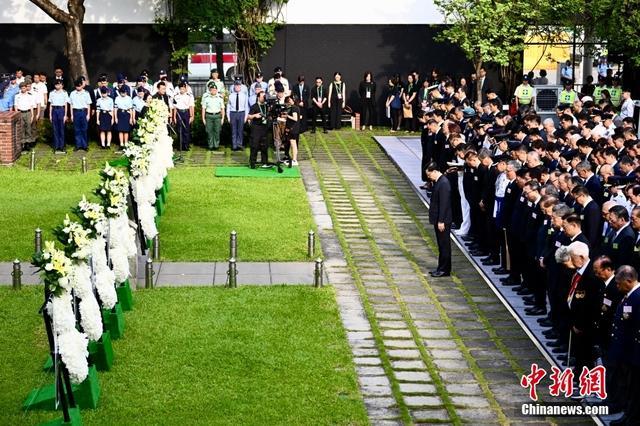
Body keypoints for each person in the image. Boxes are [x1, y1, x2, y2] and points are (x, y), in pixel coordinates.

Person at [426, 162, 452, 277]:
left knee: (444, 245)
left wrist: (441, 221)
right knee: (441, 245)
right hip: (439, 219)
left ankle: (444, 269)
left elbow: (444, 204)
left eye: (429, 175)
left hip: (443, 220)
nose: (428, 177)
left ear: (435, 171)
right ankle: (441, 267)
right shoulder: (438, 182)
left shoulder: (444, 183)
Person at [69, 78, 92, 152]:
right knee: (77, 129)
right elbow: (71, 105)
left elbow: (88, 104)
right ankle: (78, 145)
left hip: (83, 111)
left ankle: (85, 145)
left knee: (84, 129)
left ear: (82, 85)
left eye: (79, 86)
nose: (78, 88)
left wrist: (88, 114)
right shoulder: (72, 93)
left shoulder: (86, 93)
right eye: (76, 86)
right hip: (76, 112)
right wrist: (72, 115)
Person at [246, 91, 268, 168]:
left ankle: (264, 162)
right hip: (256, 128)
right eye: (262, 97)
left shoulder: (266, 106)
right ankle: (252, 162)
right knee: (254, 146)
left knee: (264, 146)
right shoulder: (254, 106)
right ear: (258, 97)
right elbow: (248, 117)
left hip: (264, 127)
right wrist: (255, 115)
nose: (264, 98)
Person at [13, 82, 36, 151]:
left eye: (24, 88)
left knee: (28, 128)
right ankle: (22, 143)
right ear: (20, 88)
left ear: (26, 88)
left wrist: (32, 115)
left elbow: (31, 106)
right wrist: (17, 113)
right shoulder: (17, 96)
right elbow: (16, 105)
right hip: (20, 112)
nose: (23, 89)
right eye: (22, 88)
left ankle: (28, 143)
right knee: (22, 128)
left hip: (28, 112)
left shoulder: (30, 96)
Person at [201, 83, 225, 151]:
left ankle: (216, 145)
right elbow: (203, 109)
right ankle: (210, 145)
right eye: (212, 90)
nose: (213, 91)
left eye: (215, 90)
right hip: (209, 116)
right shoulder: (206, 98)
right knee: (209, 131)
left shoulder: (220, 98)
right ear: (210, 90)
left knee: (217, 131)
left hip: (217, 116)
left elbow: (222, 108)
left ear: (217, 90)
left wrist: (223, 118)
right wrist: (203, 118)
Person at [227, 79, 249, 151]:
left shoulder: (244, 96)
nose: (237, 87)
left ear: (241, 87)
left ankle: (239, 144)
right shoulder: (230, 96)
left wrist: (246, 117)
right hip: (233, 113)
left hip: (241, 113)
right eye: (236, 86)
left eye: (239, 86)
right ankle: (234, 145)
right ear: (234, 87)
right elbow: (228, 107)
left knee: (240, 130)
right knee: (233, 130)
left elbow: (246, 107)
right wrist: (228, 117)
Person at [48, 79, 69, 153]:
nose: (58, 86)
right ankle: (56, 146)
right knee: (55, 129)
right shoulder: (52, 93)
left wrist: (65, 115)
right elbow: (50, 104)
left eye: (59, 84)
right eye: (56, 84)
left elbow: (66, 105)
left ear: (62, 85)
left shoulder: (64, 93)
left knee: (61, 129)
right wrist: (50, 115)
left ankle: (62, 146)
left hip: (61, 110)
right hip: (54, 110)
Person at [173, 82, 195, 151]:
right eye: (181, 89)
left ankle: (186, 145)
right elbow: (175, 107)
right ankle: (180, 146)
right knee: (179, 130)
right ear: (179, 89)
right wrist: (174, 117)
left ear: (186, 89)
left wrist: (192, 116)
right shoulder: (176, 96)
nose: (182, 90)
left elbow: (191, 106)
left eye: (183, 88)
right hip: (179, 113)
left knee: (186, 129)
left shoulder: (189, 96)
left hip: (186, 112)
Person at [284, 95, 300, 166]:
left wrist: (287, 116)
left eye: (290, 100)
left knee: (293, 144)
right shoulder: (296, 107)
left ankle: (294, 160)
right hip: (295, 128)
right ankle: (294, 159)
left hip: (293, 128)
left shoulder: (294, 108)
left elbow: (295, 118)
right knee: (294, 144)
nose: (289, 101)